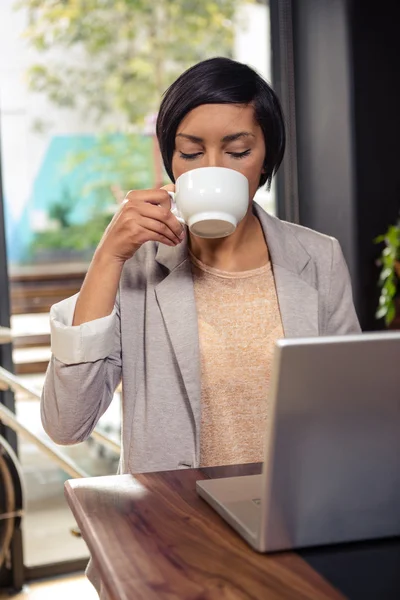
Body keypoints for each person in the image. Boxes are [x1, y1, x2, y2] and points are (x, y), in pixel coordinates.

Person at [41, 56, 360, 595]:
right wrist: (106, 260)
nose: (213, 167)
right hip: (171, 547)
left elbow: (350, 413)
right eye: (191, 152)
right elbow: (66, 422)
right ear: (171, 160)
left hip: (295, 537)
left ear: (266, 159)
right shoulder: (139, 267)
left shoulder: (317, 258)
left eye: (237, 151)